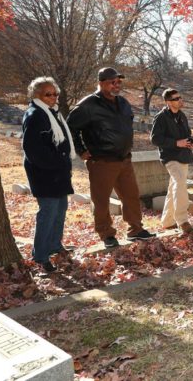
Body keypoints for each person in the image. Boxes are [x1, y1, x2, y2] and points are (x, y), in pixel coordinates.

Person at [67, 67, 155, 248]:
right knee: (101, 200)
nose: (117, 85)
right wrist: (81, 150)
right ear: (101, 83)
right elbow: (70, 128)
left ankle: (136, 230)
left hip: (124, 159)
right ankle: (106, 233)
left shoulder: (122, 102)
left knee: (131, 196)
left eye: (119, 82)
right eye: (112, 82)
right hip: (102, 161)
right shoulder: (88, 105)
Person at [22, 77, 75, 272]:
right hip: (44, 174)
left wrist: (62, 164)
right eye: (48, 94)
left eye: (55, 94)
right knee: (48, 212)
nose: (53, 97)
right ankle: (41, 256)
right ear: (37, 95)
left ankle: (54, 245)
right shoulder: (35, 115)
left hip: (58, 172)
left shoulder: (53, 113)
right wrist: (57, 163)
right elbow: (32, 149)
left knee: (61, 209)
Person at [150, 88, 193, 234]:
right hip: (170, 157)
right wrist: (177, 143)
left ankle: (167, 221)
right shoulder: (161, 118)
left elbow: (187, 134)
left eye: (180, 97)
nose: (180, 100)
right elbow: (155, 139)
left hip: (184, 156)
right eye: (176, 98)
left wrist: (191, 141)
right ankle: (182, 220)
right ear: (168, 102)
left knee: (174, 187)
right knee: (180, 183)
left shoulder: (182, 116)